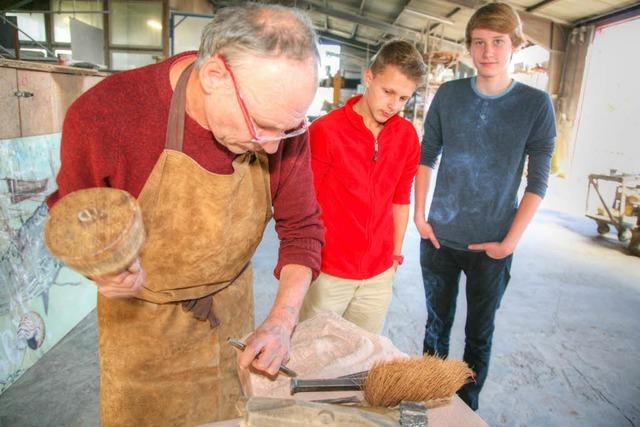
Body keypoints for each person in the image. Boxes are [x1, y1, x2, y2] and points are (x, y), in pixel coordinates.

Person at [46, 4, 324, 425]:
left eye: (287, 129)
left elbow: (302, 229)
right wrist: (101, 268)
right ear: (214, 76)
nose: (272, 146)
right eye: (261, 127)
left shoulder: (280, 129)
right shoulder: (107, 115)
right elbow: (74, 220)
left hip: (230, 320)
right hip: (142, 329)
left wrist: (281, 323)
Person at [414, 2, 556, 411]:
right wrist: (419, 216)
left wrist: (508, 243)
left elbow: (538, 182)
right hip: (440, 238)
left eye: (498, 42)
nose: (488, 51)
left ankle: (464, 408)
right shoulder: (450, 94)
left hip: (492, 245)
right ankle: (429, 400)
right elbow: (428, 155)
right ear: (468, 47)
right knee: (436, 329)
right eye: (479, 42)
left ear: (514, 46)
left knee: (479, 334)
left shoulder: (534, 105)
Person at [299, 40, 426, 334]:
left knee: (362, 358)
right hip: (329, 271)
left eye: (404, 98)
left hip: (379, 274)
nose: (393, 105)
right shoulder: (325, 131)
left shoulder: (407, 137)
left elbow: (400, 199)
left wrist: (394, 257)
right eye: (388, 92)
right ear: (369, 77)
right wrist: (308, 261)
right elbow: (306, 205)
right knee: (313, 354)